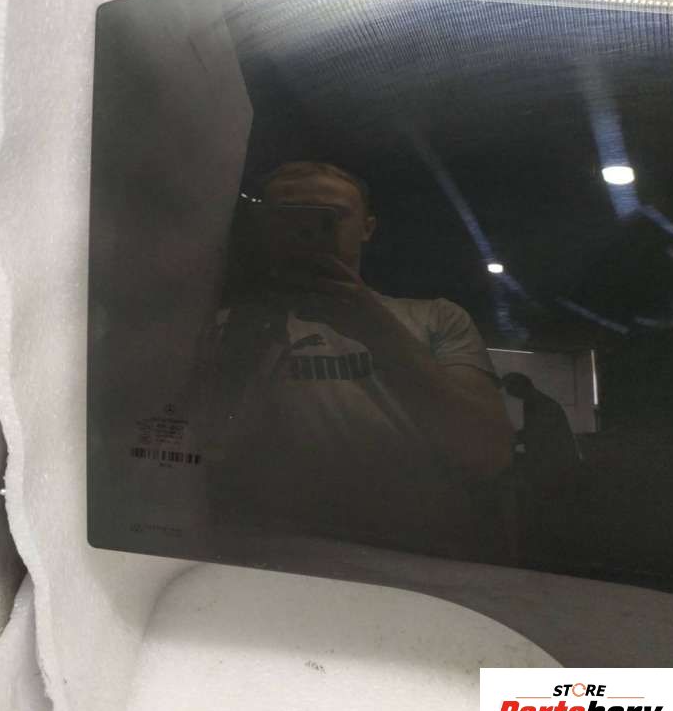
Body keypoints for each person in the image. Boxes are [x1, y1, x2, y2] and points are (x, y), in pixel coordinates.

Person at [201, 161, 515, 560]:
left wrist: (374, 326)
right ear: (265, 227)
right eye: (288, 217)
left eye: (328, 216)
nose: (306, 230)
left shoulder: (437, 318)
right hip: (267, 552)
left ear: (367, 227)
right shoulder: (225, 326)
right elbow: (199, 449)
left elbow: (488, 452)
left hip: (417, 551)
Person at [501, 372, 580, 572]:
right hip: (551, 466)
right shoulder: (534, 402)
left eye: (511, 389)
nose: (510, 394)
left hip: (558, 467)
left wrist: (509, 439)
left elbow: (537, 435)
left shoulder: (542, 405)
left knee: (555, 509)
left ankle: (559, 556)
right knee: (550, 509)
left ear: (521, 387)